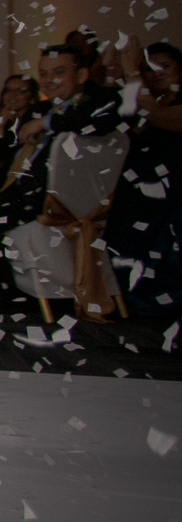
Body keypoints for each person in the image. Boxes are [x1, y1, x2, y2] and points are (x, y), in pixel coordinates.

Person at [0, 44, 127, 310]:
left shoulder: (103, 99)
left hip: (54, 200)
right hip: (21, 193)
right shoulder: (39, 110)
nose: (49, 80)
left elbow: (99, 121)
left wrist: (47, 124)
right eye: (44, 74)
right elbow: (9, 141)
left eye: (59, 72)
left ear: (81, 75)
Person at [107, 39, 182, 316]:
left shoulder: (165, 109)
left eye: (165, 65)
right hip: (135, 193)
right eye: (149, 68)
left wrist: (133, 72)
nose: (157, 72)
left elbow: (155, 113)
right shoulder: (136, 105)